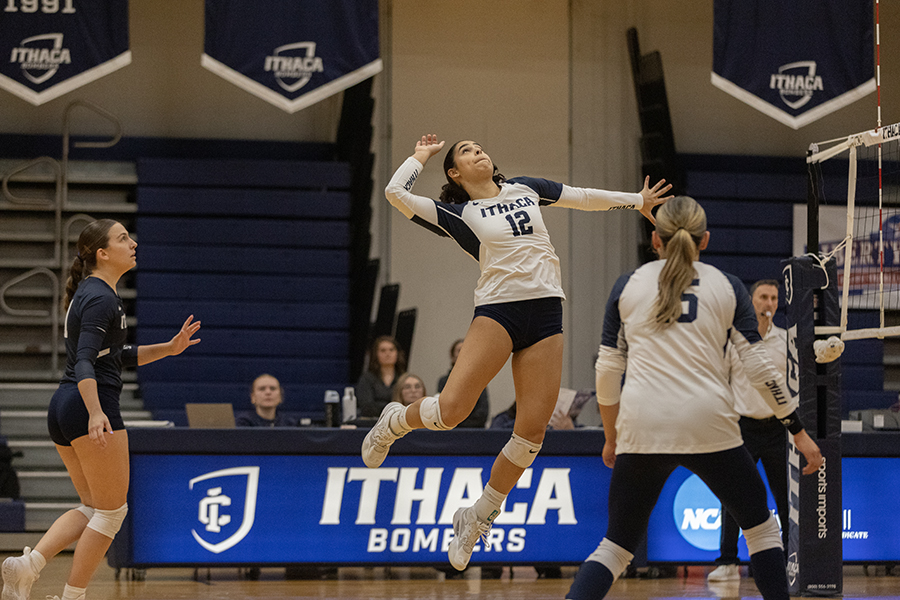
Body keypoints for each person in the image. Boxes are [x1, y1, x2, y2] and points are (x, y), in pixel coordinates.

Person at [362, 133, 672, 571]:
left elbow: (580, 197)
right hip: (498, 310)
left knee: (532, 435)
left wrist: (634, 200)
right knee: (451, 411)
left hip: (547, 310)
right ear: (454, 173)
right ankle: (394, 422)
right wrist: (418, 157)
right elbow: (396, 194)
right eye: (467, 151)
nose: (479, 151)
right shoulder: (457, 213)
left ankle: (477, 517)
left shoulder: (524, 188)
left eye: (480, 147)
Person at [566, 196, 823, 600]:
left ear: (656, 240)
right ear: (704, 241)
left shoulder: (628, 284)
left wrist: (613, 436)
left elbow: (607, 370)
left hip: (642, 423)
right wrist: (798, 431)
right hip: (710, 424)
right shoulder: (728, 286)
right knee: (761, 529)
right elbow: (760, 369)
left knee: (615, 547)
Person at [1, 219, 200, 600]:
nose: (134, 243)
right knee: (112, 513)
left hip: (64, 405)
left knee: (94, 507)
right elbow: (86, 363)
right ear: (102, 253)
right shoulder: (100, 297)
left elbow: (114, 356)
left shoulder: (95, 293)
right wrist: (96, 411)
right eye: (124, 238)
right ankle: (72, 596)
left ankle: (30, 565)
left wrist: (169, 348)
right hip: (87, 402)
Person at [708, 279, 790, 583]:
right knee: (733, 496)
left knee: (784, 498)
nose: (768, 303)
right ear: (751, 301)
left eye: (773, 298)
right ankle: (728, 562)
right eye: (762, 297)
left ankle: (786, 560)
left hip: (777, 429)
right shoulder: (736, 340)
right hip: (742, 427)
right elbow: (721, 380)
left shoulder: (786, 341)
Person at [437, 339, 489, 428]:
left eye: (467, 350)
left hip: (474, 432)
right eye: (459, 350)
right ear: (452, 357)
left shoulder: (480, 380)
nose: (463, 353)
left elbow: (482, 414)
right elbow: (442, 412)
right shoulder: (444, 381)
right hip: (450, 431)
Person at [356, 336, 406, 418]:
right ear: (376, 354)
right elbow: (367, 407)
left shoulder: (404, 378)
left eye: (391, 350)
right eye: (383, 350)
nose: (388, 353)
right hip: (373, 422)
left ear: (397, 353)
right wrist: (394, 408)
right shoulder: (367, 378)